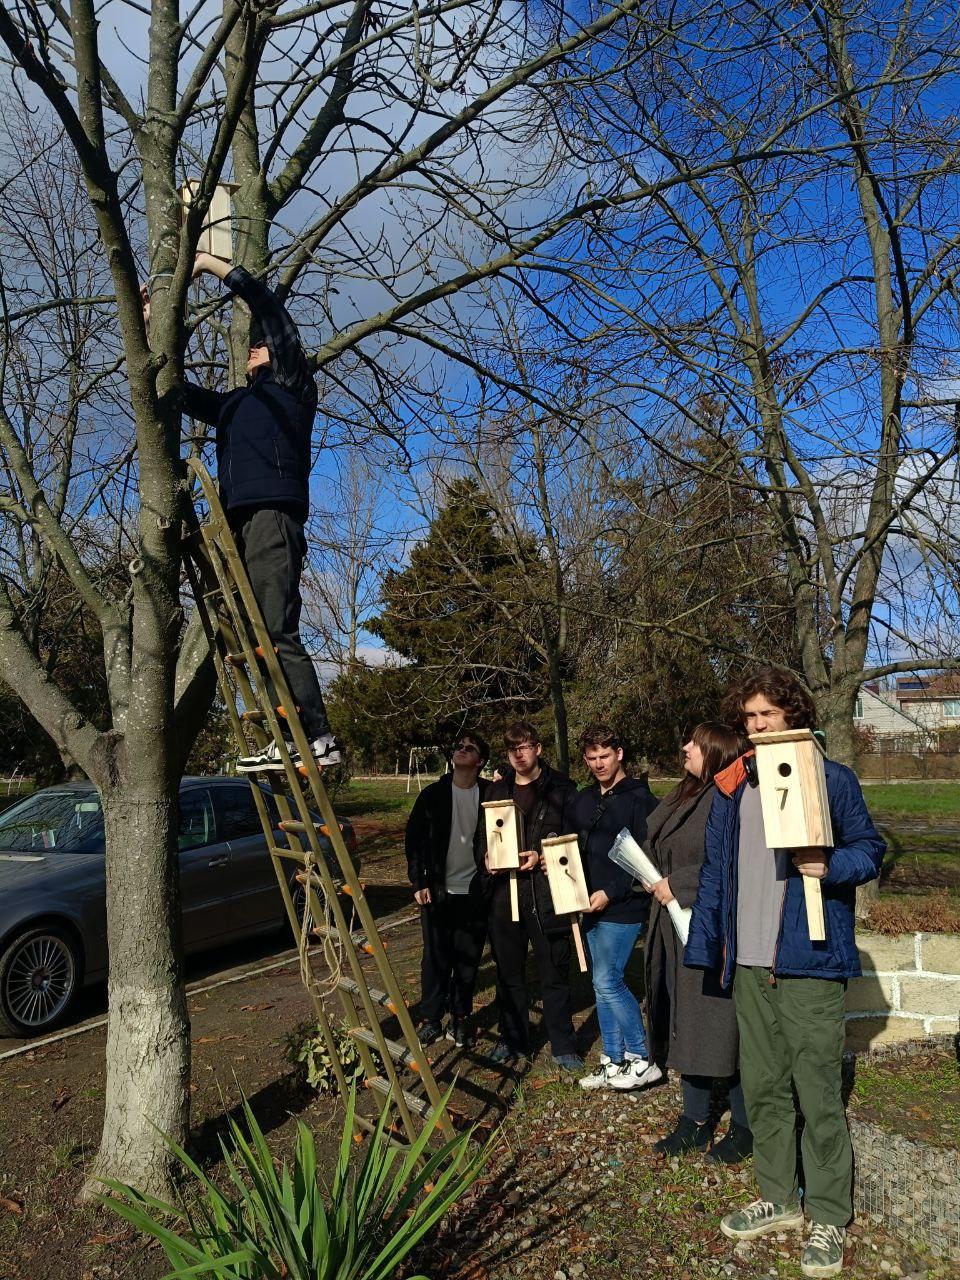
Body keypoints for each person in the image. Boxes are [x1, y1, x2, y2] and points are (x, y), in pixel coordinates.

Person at [684, 668, 884, 1279]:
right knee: (765, 1087)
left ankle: (828, 1212)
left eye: (767, 714)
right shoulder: (731, 788)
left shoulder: (830, 779)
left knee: (818, 1091)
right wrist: (706, 948)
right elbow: (716, 874)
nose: (757, 726)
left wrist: (830, 862)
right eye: (749, 717)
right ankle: (779, 1194)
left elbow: (870, 850)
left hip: (808, 961)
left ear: (793, 714)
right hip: (747, 963)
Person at [172, 252, 341, 771]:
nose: (252, 350)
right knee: (255, 635)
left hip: (272, 515)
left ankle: (317, 737)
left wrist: (211, 265)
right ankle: (287, 734)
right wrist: (157, 323)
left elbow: (271, 311)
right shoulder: (234, 405)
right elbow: (175, 389)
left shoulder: (291, 385)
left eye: (258, 346)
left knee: (275, 630)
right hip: (237, 524)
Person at [644, 722, 752, 1161]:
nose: (685, 746)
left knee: (725, 1028)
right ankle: (694, 1120)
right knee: (687, 1021)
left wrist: (680, 883)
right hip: (673, 923)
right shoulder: (684, 791)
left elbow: (733, 860)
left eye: (693, 742)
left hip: (708, 925)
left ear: (714, 751)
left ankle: (744, 1126)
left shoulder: (731, 796)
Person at [477, 721, 580, 1071]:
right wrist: (487, 859)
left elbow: (573, 837)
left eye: (524, 747)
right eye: (511, 749)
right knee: (509, 973)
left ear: (537, 748)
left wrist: (541, 856)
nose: (518, 755)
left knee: (553, 969)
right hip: (505, 897)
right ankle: (513, 1040)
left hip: (546, 892)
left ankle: (563, 1045)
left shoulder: (562, 789)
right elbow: (484, 839)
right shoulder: (495, 792)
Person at [566, 724, 661, 1093]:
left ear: (619, 753)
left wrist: (612, 891)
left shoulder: (641, 801)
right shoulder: (583, 799)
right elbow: (570, 847)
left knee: (609, 980)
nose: (598, 763)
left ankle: (642, 1058)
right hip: (588, 905)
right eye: (591, 758)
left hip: (623, 906)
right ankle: (613, 1059)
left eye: (604, 755)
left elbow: (645, 863)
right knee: (599, 983)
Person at [405, 732, 490, 1049]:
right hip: (437, 891)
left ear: (480, 761)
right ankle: (431, 1019)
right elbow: (414, 841)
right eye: (459, 746)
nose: (462, 750)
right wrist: (419, 881)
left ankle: (461, 1017)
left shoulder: (491, 797)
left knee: (467, 958)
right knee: (435, 958)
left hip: (475, 891)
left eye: (470, 748)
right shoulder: (433, 796)